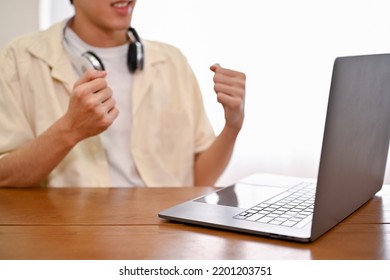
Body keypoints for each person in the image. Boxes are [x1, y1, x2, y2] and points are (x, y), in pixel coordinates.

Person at [0, 0, 246, 187]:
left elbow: (199, 180)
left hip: (162, 239)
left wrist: (232, 125)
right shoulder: (19, 59)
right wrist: (70, 129)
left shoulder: (172, 61)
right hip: (70, 236)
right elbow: (5, 175)